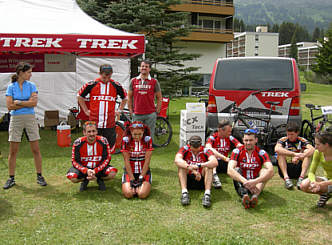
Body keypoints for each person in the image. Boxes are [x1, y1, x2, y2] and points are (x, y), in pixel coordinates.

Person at [3, 62, 47, 189]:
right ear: (21, 73)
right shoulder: (11, 87)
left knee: (36, 149)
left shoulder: (32, 86)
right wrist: (26, 103)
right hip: (16, 119)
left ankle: (39, 175)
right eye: (29, 72)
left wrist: (19, 102)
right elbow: (10, 106)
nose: (31, 74)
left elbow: (34, 103)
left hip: (30, 118)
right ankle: (11, 178)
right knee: (13, 150)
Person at [77, 64, 127, 152]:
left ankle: (106, 164)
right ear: (99, 73)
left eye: (108, 75)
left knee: (109, 147)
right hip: (94, 123)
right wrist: (85, 110)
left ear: (111, 74)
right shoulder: (92, 84)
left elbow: (125, 98)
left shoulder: (116, 85)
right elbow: (79, 96)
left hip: (109, 123)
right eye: (104, 75)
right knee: (94, 146)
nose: (106, 78)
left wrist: (119, 110)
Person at [227, 129, 274, 209]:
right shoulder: (237, 151)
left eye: (251, 140)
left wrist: (255, 181)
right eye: (246, 140)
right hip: (242, 183)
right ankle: (244, 196)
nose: (248, 143)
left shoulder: (261, 152)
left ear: (256, 140)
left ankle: (254, 196)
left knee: (264, 171)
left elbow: (271, 170)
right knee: (236, 169)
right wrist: (245, 182)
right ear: (242, 140)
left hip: (256, 183)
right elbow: (229, 170)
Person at [66, 121, 117, 191]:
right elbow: (74, 161)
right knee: (72, 177)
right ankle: (85, 180)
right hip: (84, 169)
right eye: (89, 131)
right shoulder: (78, 143)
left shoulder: (103, 141)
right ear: (84, 133)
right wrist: (86, 171)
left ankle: (99, 180)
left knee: (112, 173)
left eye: (93, 131)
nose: (91, 134)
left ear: (97, 132)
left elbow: (107, 158)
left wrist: (95, 170)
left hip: (98, 168)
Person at [174, 136, 218, 208]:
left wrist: (199, 165)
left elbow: (215, 162)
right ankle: (184, 193)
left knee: (209, 167)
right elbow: (177, 160)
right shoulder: (184, 149)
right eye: (193, 150)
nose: (195, 152)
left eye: (197, 150)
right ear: (189, 145)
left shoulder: (206, 150)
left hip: (203, 180)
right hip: (188, 180)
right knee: (182, 166)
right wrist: (191, 168)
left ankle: (207, 194)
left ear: (201, 146)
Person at [127, 60, 162, 142]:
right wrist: (131, 111)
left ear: (149, 69)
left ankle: (148, 151)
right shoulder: (133, 81)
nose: (144, 68)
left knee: (149, 136)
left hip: (150, 114)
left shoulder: (154, 81)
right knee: (136, 135)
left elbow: (159, 97)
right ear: (140, 68)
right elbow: (129, 97)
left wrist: (157, 111)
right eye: (142, 66)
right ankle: (137, 151)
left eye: (146, 67)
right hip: (137, 114)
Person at [274, 122, 314, 190]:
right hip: (285, 168)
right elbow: (277, 149)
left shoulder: (302, 140)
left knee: (308, 153)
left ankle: (301, 178)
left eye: (292, 134)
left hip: (298, 168)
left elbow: (312, 149)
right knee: (280, 153)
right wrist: (294, 154)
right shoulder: (283, 140)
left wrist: (300, 156)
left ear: (297, 133)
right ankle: (287, 179)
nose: (290, 136)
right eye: (288, 134)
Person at [300, 128, 332, 207]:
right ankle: (326, 194)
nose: (315, 147)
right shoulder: (317, 152)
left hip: (326, 182)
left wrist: (321, 184)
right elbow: (311, 172)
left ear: (326, 144)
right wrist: (314, 183)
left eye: (318, 144)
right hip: (328, 180)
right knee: (304, 185)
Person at [205, 120, 242, 189]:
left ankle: (241, 180)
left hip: (225, 162)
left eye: (230, 131)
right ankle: (215, 177)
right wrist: (224, 158)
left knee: (239, 157)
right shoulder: (213, 137)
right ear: (220, 130)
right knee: (212, 158)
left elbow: (240, 146)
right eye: (228, 131)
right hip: (215, 163)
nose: (230, 133)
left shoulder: (230, 137)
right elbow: (208, 148)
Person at [121, 121, 153, 199]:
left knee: (142, 194)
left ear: (143, 132)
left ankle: (142, 185)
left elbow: (147, 161)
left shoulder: (147, 140)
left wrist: (141, 177)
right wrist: (131, 178)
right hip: (130, 172)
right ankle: (131, 183)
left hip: (143, 173)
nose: (137, 137)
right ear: (131, 132)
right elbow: (126, 161)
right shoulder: (126, 141)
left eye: (140, 134)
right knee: (129, 194)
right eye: (135, 134)